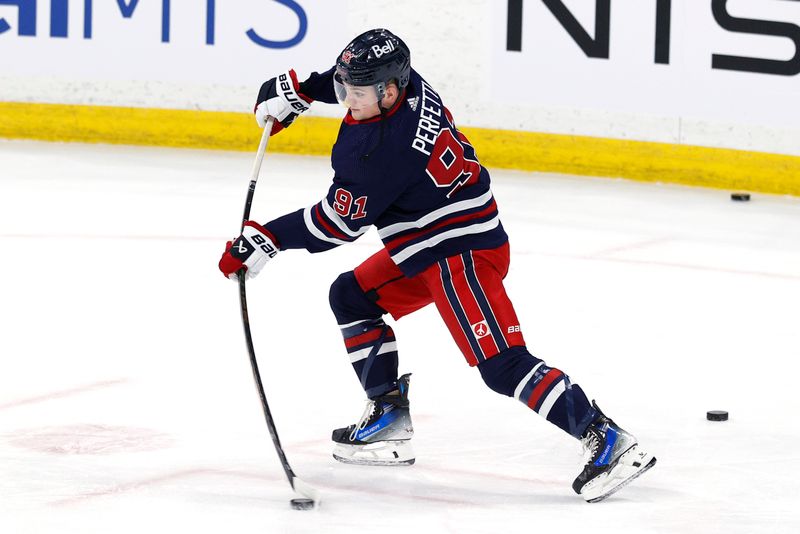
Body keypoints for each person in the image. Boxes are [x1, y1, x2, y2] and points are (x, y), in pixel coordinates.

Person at [218, 28, 655, 502]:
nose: (346, 99)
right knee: (352, 295)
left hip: (458, 252)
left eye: (356, 92)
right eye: (344, 88)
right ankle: (387, 415)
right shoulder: (408, 84)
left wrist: (268, 238)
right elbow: (348, 81)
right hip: (430, 243)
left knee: (501, 365)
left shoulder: (377, 151)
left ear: (387, 90)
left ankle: (607, 439)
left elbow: (336, 224)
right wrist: (303, 91)